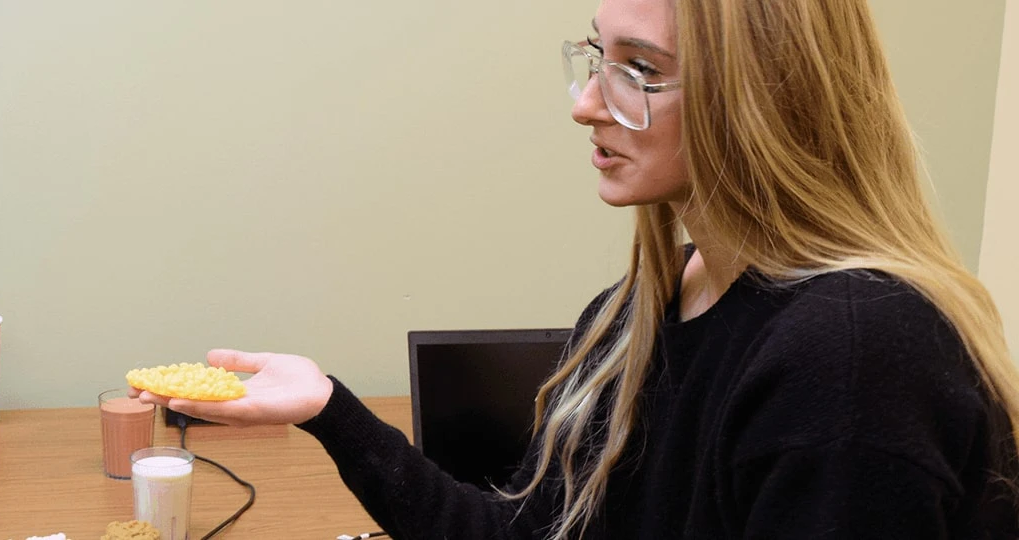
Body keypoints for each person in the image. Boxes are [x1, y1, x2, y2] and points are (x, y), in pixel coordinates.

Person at [137, 0, 1019, 538]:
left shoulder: (854, 356)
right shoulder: (645, 310)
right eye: (599, 58)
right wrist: (331, 411)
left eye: (641, 71)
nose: (587, 104)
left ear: (763, 95)